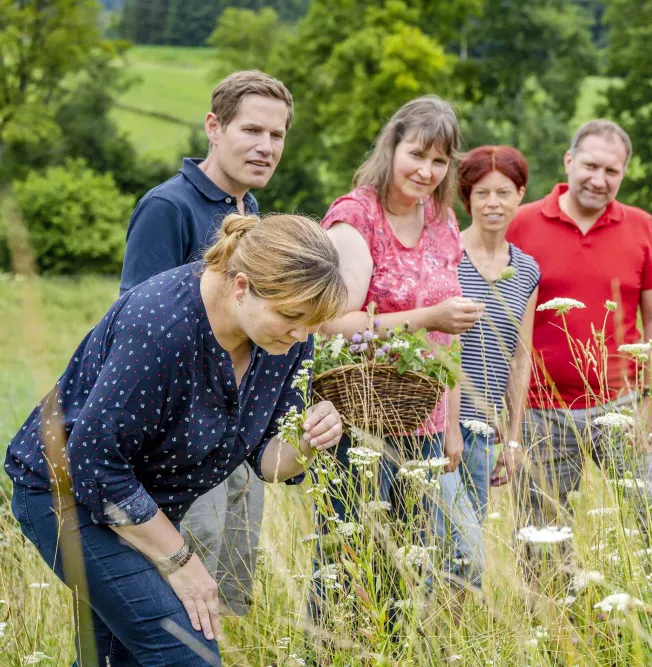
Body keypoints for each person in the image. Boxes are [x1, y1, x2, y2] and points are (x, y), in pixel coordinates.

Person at [5, 213, 347, 665]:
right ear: (242, 286)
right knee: (187, 652)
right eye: (291, 317)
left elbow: (268, 460)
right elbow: (96, 467)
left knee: (116, 660)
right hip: (68, 496)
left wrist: (308, 440)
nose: (302, 335)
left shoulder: (285, 341)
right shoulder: (161, 325)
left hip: (143, 508)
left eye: (311, 324)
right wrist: (181, 562)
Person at [118, 69, 295, 616]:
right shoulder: (168, 206)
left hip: (240, 439)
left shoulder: (251, 215)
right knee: (186, 592)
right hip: (181, 442)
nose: (266, 147)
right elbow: (133, 326)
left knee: (233, 589)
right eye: (252, 130)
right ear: (213, 127)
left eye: (278, 135)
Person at [319, 96, 486, 589]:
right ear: (391, 148)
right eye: (417, 154)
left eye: (439, 161)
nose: (427, 170)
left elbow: (448, 333)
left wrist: (452, 425)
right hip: (360, 421)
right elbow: (331, 323)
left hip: (427, 423)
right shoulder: (357, 217)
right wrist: (426, 317)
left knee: (431, 568)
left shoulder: (442, 221)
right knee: (350, 567)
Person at [505, 119, 652, 549]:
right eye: (590, 166)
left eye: (612, 171)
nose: (599, 179)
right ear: (569, 161)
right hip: (540, 409)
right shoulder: (521, 224)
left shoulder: (641, 225)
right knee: (542, 545)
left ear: (624, 174)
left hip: (621, 403)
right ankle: (552, 617)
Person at [456, 145, 540, 520]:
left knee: (467, 554)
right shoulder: (444, 256)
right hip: (433, 426)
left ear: (520, 195)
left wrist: (513, 437)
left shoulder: (526, 270)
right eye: (482, 193)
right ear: (467, 198)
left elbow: (521, 357)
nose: (493, 203)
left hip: (483, 431)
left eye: (503, 192)